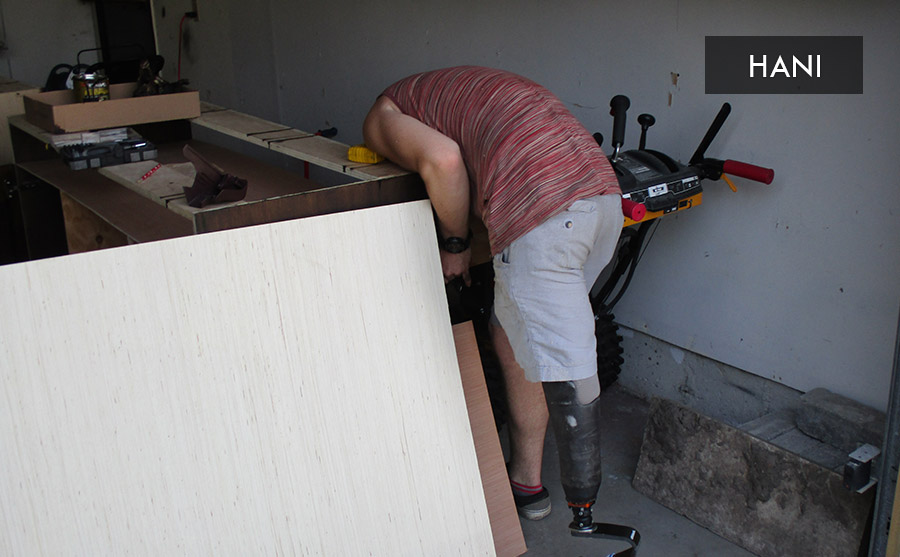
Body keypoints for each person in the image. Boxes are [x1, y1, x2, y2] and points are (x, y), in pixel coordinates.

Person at [363, 66, 622, 520]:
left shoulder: (381, 116)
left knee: (533, 353)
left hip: (545, 209)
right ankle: (528, 480)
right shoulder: (461, 92)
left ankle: (538, 490)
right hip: (601, 200)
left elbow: (442, 161)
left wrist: (454, 245)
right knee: (520, 334)